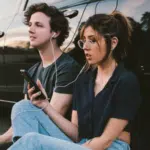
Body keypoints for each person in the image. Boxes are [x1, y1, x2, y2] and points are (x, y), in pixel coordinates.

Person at [8, 11, 141, 150]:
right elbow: (76, 134)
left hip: (111, 147)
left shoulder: (126, 81)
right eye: (83, 41)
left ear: (113, 43)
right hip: (82, 144)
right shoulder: (83, 80)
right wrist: (45, 105)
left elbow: (105, 141)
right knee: (22, 108)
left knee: (32, 141)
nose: (85, 47)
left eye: (93, 40)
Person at [0, 2, 80, 146]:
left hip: (60, 139)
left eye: (38, 25)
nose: (30, 30)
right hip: (36, 135)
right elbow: (23, 119)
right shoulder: (32, 71)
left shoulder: (67, 68)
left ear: (55, 32)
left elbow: (48, 121)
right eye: (30, 25)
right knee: (22, 107)